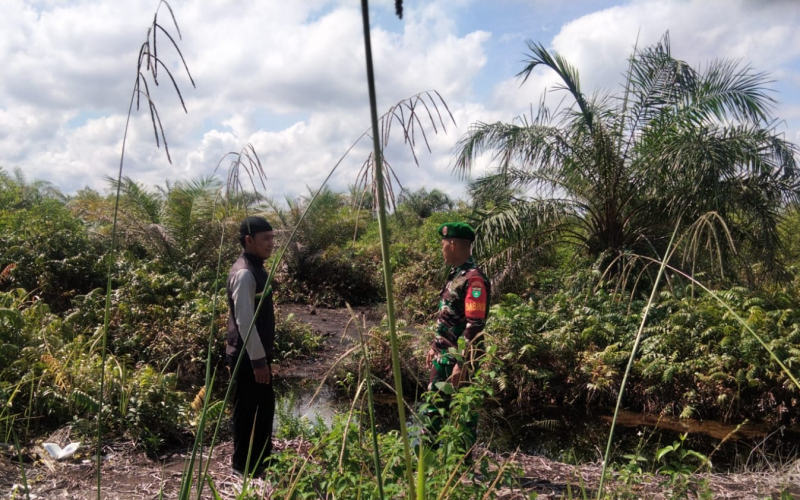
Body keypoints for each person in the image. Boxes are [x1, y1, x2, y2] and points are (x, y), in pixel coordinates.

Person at [422, 221, 491, 451]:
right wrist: (435, 344)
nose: (441, 249)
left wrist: (462, 364)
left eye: (443, 244)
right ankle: (427, 464)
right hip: (443, 355)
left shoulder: (474, 280)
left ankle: (461, 469)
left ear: (452, 244)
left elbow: (474, 325)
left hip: (460, 360)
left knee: (463, 414)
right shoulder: (456, 275)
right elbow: (448, 316)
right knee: (434, 409)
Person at [226, 216, 276, 476]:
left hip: (255, 355)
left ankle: (261, 462)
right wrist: (258, 361)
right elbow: (245, 320)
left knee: (264, 408)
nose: (271, 243)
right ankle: (242, 466)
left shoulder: (256, 267)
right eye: (266, 238)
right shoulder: (245, 272)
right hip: (247, 357)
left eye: (272, 237)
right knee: (248, 411)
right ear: (249, 240)